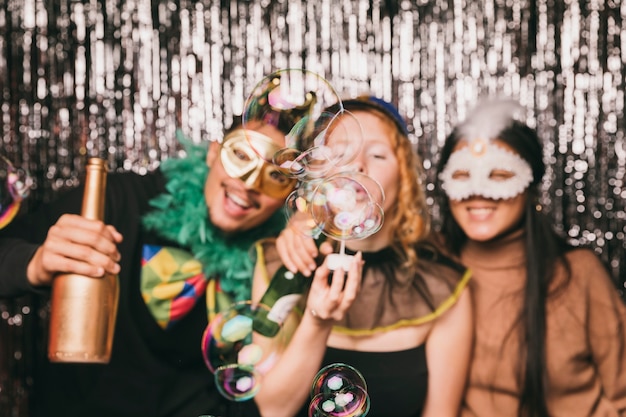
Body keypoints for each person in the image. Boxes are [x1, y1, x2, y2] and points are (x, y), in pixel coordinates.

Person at [0, 109, 305, 416]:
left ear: (289, 195)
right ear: (214, 152)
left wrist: (305, 242)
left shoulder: (276, 259)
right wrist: (36, 264)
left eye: (277, 175)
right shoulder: (120, 199)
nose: (251, 183)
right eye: (241, 155)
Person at [248, 96, 473, 417]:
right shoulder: (282, 262)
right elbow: (272, 410)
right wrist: (318, 321)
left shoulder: (443, 286)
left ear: (405, 179)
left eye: (378, 154)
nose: (357, 165)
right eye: (339, 154)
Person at [435, 99, 626, 417]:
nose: (477, 192)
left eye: (499, 176)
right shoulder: (429, 263)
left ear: (532, 188)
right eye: (462, 175)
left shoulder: (578, 273)